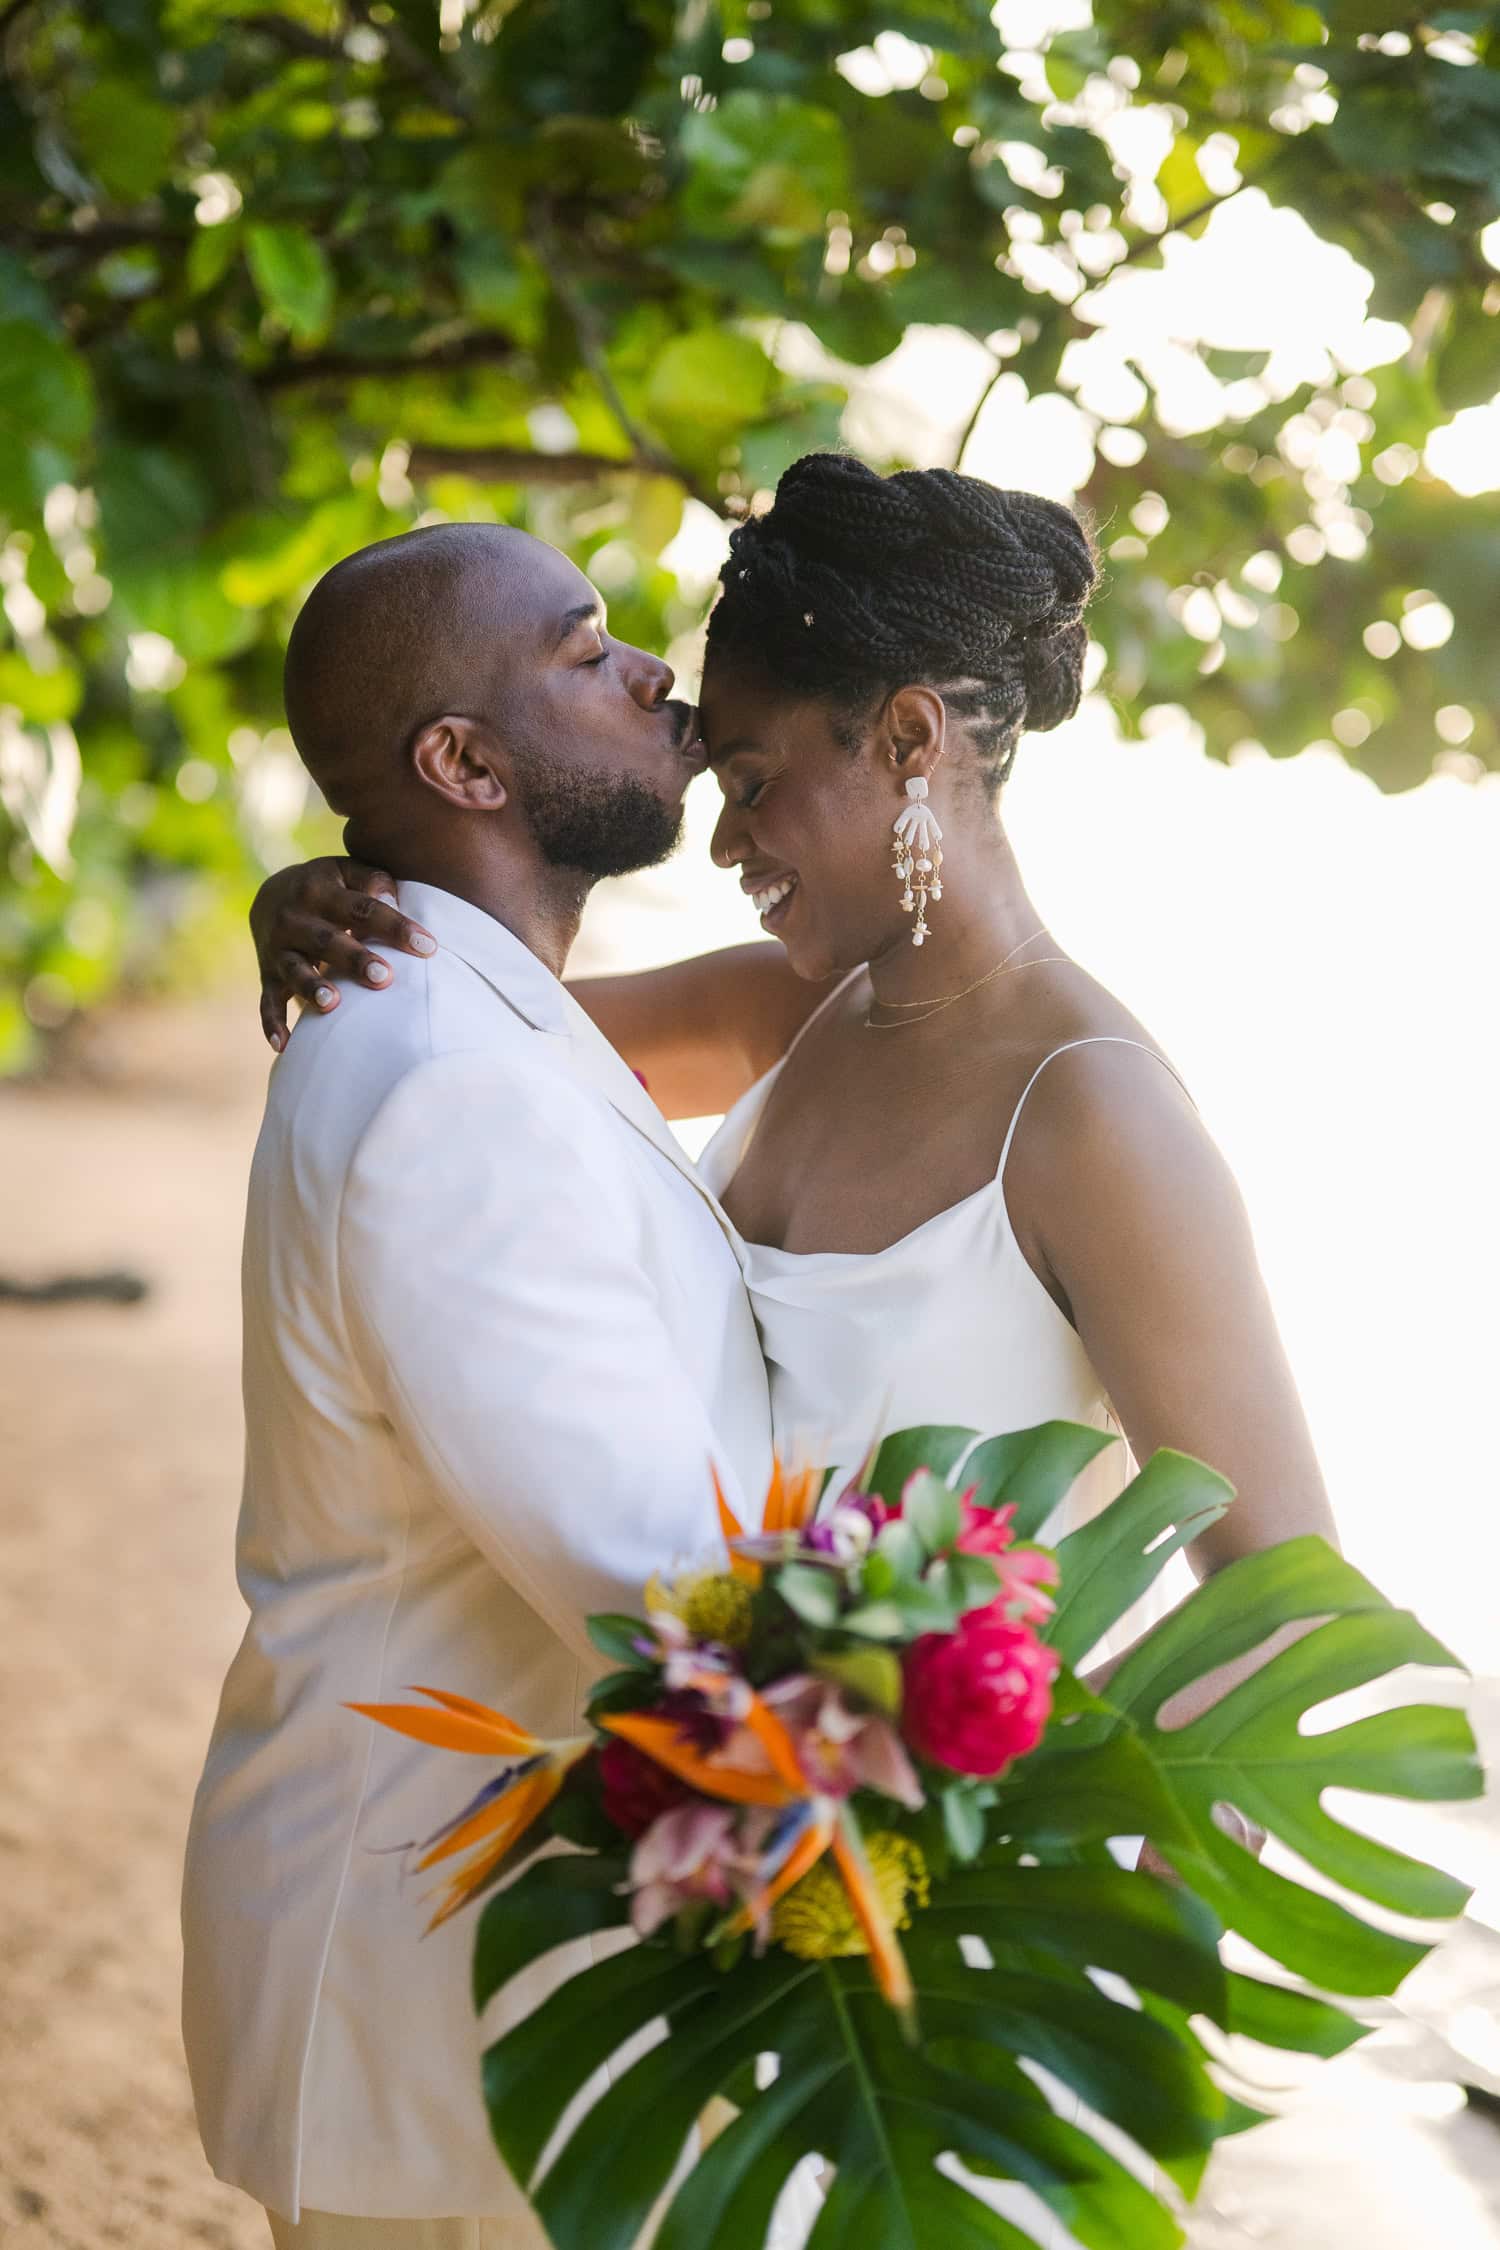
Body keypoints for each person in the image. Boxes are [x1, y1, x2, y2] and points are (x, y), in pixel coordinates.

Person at [258, 453, 1337, 1627]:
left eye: (754, 780)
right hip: (763, 1763)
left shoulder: (1094, 1117)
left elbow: (1289, 1606)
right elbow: (470, 1031)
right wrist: (342, 890)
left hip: (980, 1784)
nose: (724, 844)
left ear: (910, 740)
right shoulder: (793, 1012)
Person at [181, 522, 773, 2250]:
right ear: (463, 761)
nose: (656, 672)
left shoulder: (468, 1012)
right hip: (430, 1982)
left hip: (454, 1966)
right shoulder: (446, 1068)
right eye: (587, 651)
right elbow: (652, 1570)